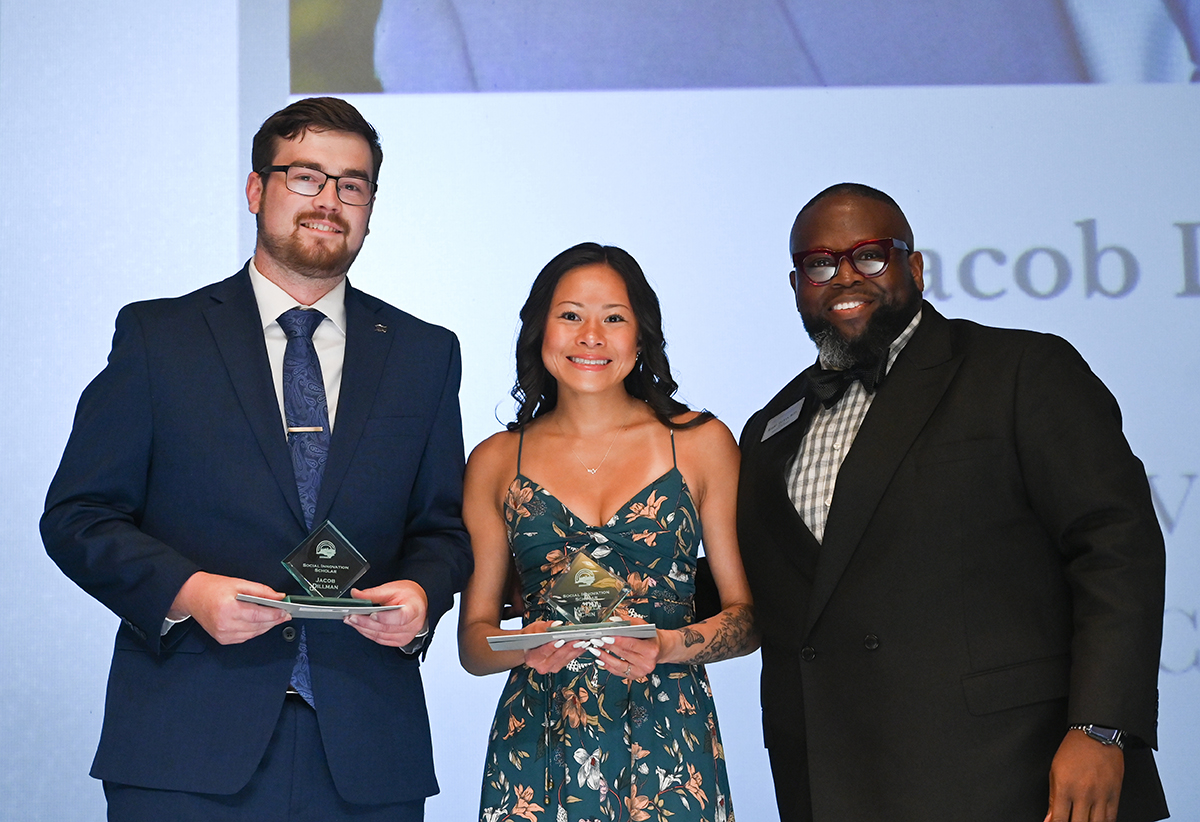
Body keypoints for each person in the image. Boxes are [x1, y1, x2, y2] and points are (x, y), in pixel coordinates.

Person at [41, 97, 473, 821]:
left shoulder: (424, 353)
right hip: (183, 749)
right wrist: (187, 591)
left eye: (352, 184)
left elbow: (443, 530)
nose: (330, 201)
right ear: (255, 190)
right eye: (306, 177)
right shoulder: (159, 336)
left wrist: (423, 596)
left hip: (367, 753)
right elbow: (79, 515)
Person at [737, 183, 1169, 822]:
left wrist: (1102, 729)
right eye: (820, 264)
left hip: (1013, 776)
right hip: (836, 781)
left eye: (870, 256)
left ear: (914, 266)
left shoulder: (1020, 368)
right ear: (797, 284)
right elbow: (749, 582)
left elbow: (1116, 546)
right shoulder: (772, 425)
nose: (844, 276)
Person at [458, 242, 758, 822]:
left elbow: (746, 620)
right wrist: (524, 646)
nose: (590, 336)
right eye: (570, 315)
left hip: (671, 738)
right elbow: (474, 644)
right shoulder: (494, 460)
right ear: (540, 330)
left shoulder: (700, 443)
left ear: (640, 335)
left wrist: (669, 646)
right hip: (538, 743)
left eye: (613, 318)